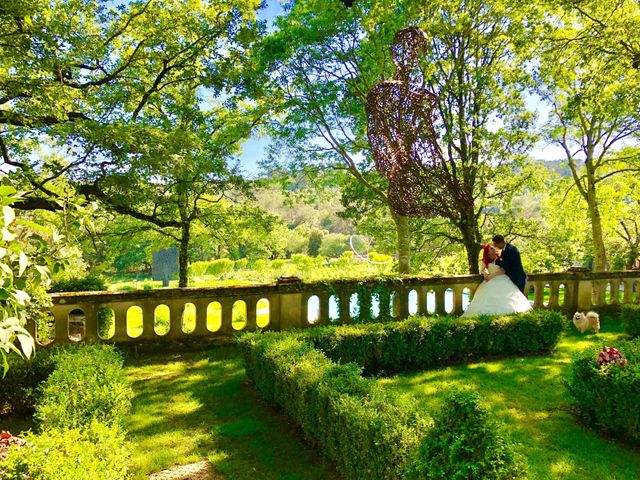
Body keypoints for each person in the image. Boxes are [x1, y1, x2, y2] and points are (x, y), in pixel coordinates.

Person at [462, 244, 532, 317]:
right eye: (489, 250)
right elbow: (482, 270)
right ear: (487, 252)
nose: (492, 250)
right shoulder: (484, 261)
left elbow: (503, 270)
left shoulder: (500, 258)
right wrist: (485, 274)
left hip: (502, 279)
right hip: (489, 282)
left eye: (492, 248)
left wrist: (492, 275)